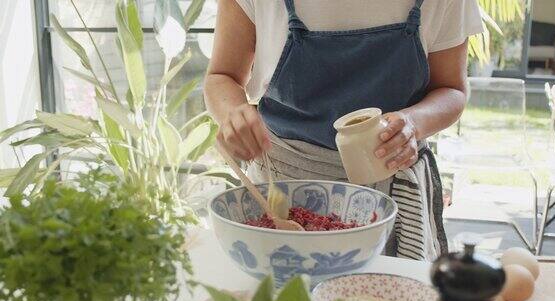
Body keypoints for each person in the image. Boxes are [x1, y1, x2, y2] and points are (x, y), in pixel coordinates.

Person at [204, 0, 484, 261]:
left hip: (392, 194)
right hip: (280, 194)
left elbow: (452, 89)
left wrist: (413, 122)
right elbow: (222, 76)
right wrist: (233, 114)